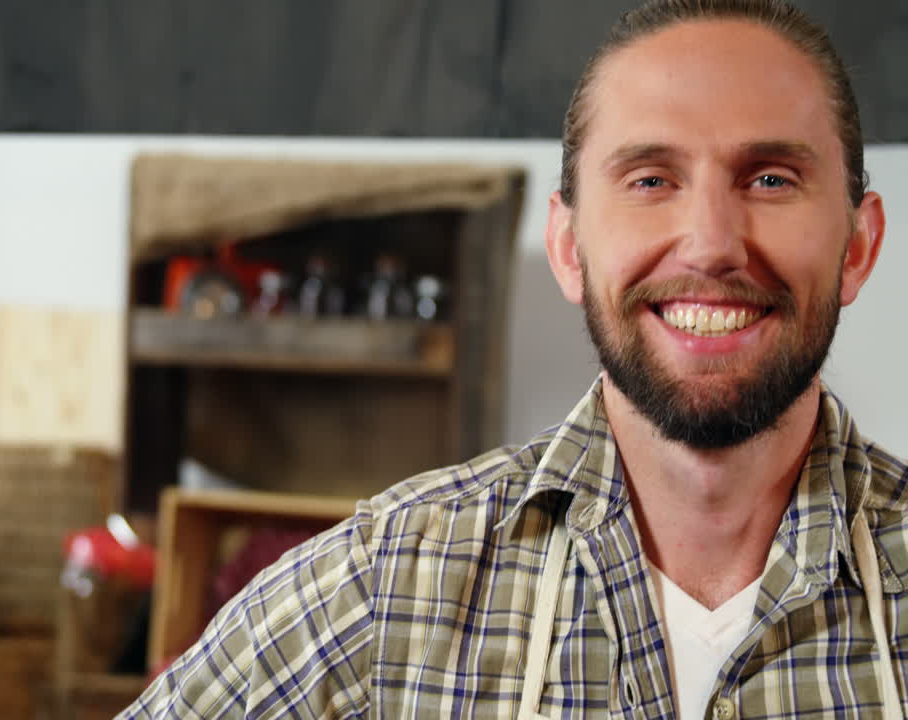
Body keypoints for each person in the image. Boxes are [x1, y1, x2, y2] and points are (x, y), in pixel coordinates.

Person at [122, 0, 906, 717]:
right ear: (568, 248)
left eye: (771, 179)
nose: (710, 243)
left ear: (859, 246)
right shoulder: (386, 588)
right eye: (650, 179)